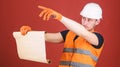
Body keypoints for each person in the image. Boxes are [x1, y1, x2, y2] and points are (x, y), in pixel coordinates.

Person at [20, 2, 104, 67]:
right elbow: (46, 37)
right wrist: (29, 33)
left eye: (89, 20)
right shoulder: (69, 34)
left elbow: (83, 33)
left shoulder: (98, 38)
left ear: (97, 21)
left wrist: (60, 17)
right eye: (83, 18)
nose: (85, 22)